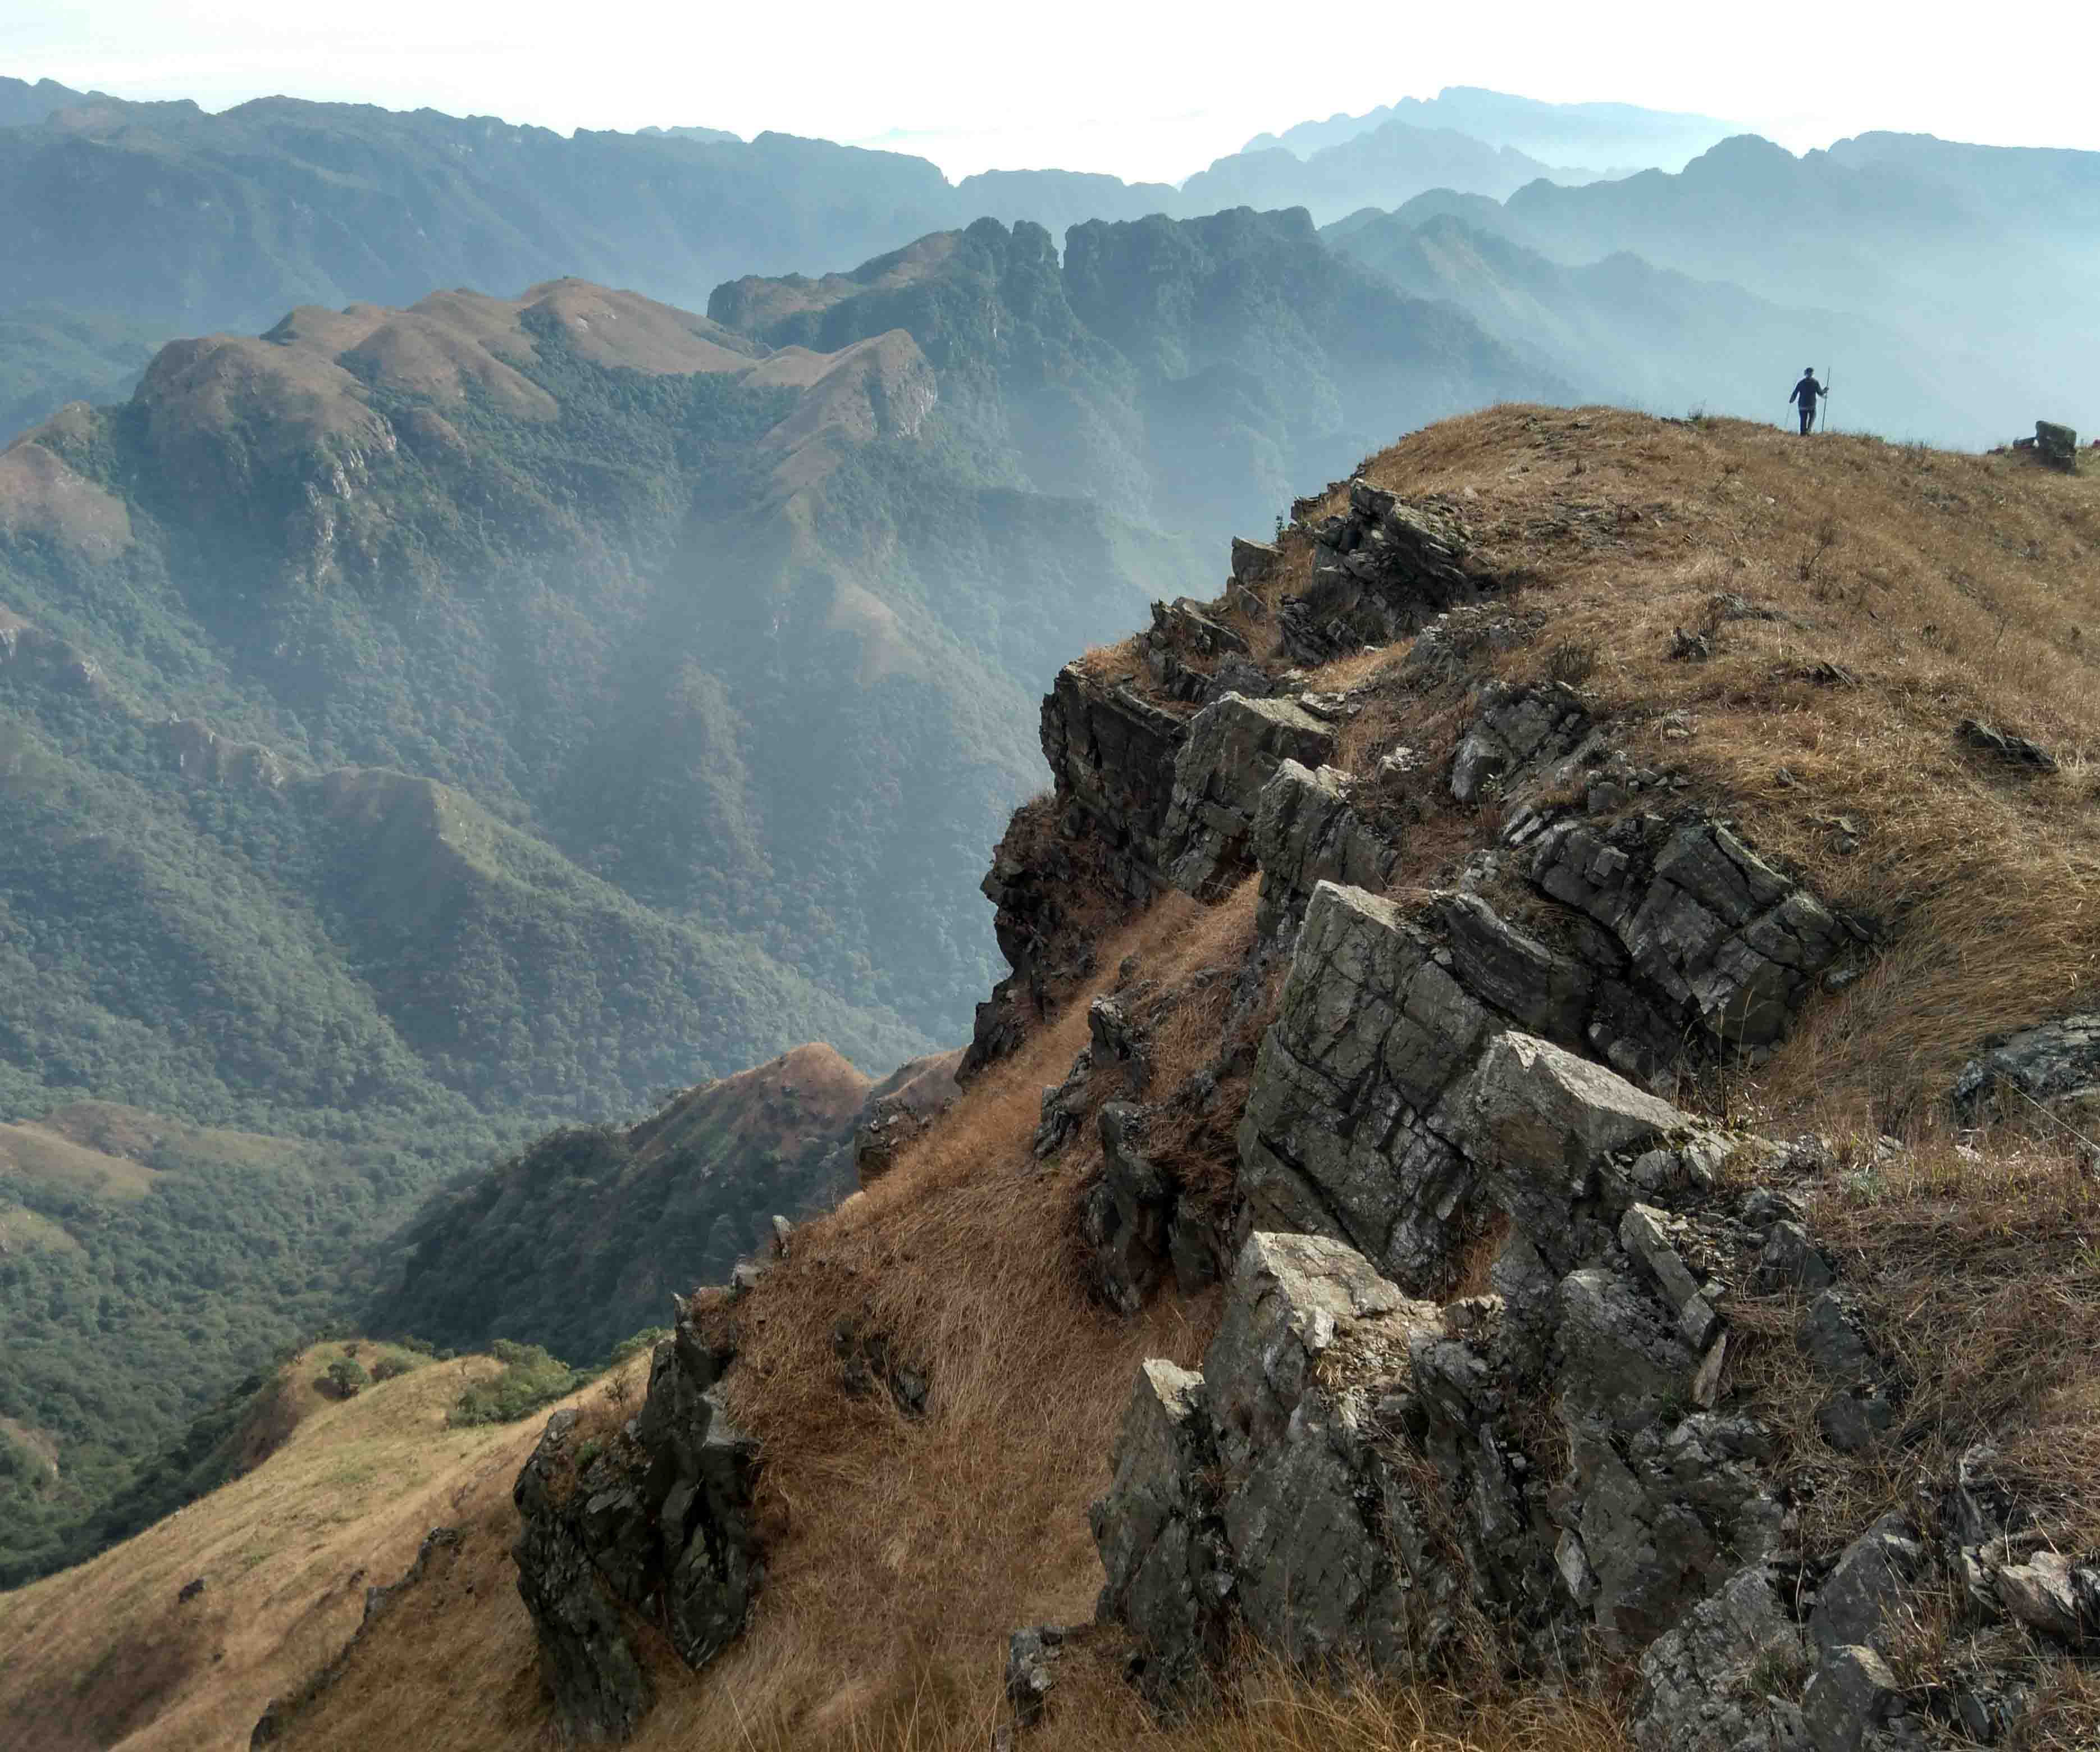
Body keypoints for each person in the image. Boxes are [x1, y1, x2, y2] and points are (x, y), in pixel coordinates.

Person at [1789, 367, 1828, 435]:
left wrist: (1792, 400)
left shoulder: (1801, 383)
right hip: (1811, 405)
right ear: (1812, 374)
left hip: (1802, 405)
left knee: (1803, 420)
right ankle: (1808, 431)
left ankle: (1803, 433)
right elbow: (1820, 393)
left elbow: (1795, 393)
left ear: (1805, 374)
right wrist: (1825, 391)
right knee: (1812, 417)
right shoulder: (1815, 382)